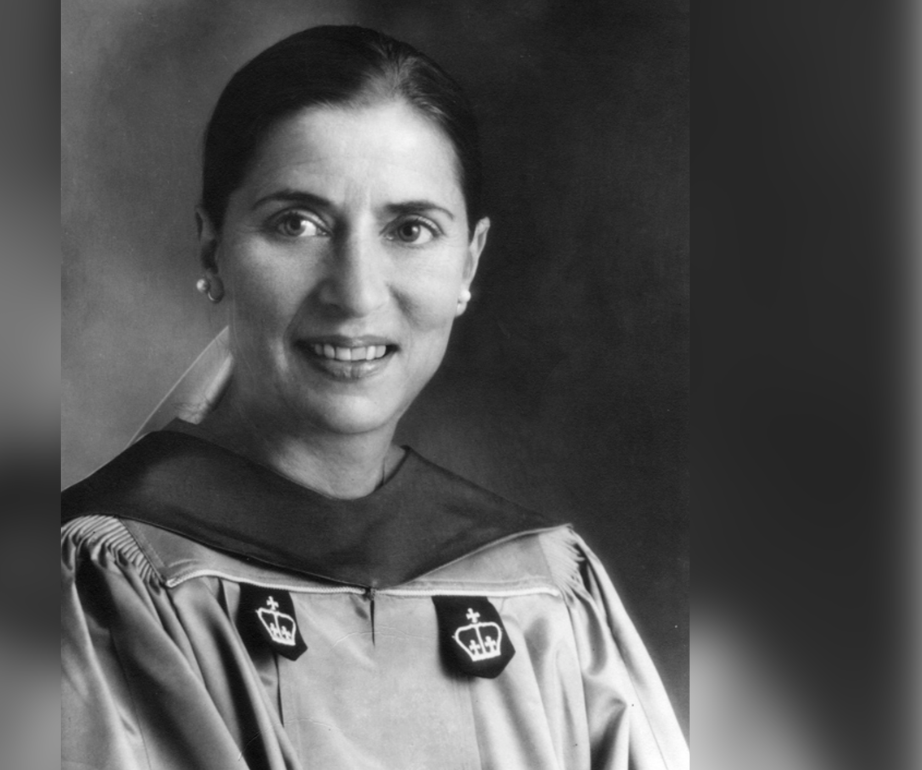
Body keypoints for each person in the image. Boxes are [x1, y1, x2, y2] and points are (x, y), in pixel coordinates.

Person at [62, 25, 688, 769]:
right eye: (297, 223)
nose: (355, 292)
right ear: (213, 249)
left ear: (470, 261)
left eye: (411, 229)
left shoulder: (547, 591)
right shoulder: (104, 584)